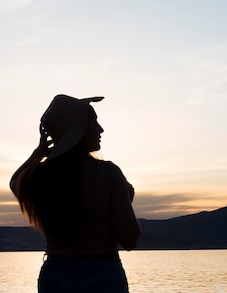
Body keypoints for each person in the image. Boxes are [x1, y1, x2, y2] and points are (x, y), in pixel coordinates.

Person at [10, 94, 141, 293]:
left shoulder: (38, 178)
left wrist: (37, 154)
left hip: (55, 275)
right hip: (103, 275)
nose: (100, 129)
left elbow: (15, 182)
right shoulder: (107, 174)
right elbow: (129, 239)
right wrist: (124, 200)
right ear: (78, 128)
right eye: (93, 122)